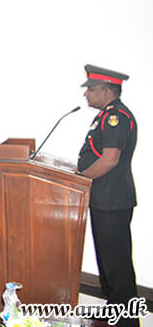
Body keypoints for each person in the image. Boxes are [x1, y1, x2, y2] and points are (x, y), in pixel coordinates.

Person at [77, 64, 139, 327]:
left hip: (113, 200)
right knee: (108, 259)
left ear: (106, 90)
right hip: (105, 199)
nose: (86, 94)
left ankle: (126, 320)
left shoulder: (116, 117)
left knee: (117, 260)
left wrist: (79, 178)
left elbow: (110, 160)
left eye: (91, 89)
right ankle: (114, 308)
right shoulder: (107, 115)